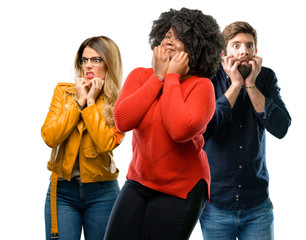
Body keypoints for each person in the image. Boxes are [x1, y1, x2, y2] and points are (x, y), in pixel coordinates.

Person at [103, 8, 224, 240]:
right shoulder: (140, 76)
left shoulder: (201, 87)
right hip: (139, 181)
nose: (170, 41)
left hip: (181, 188)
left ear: (195, 47)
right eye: (167, 35)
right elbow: (123, 120)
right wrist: (157, 77)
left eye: (179, 38)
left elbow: (180, 130)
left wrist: (171, 78)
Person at [199, 21, 291, 240]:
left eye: (249, 46)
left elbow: (281, 127)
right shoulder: (207, 79)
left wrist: (250, 85)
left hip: (257, 205)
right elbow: (203, 131)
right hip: (216, 206)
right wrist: (235, 85)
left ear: (256, 51)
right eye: (236, 45)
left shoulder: (266, 77)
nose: (244, 51)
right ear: (223, 51)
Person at [41, 36, 124, 240]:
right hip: (62, 191)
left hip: (103, 192)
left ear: (109, 63)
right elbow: (50, 137)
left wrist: (91, 103)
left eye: (96, 60)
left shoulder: (119, 102)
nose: (88, 65)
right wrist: (79, 102)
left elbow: (105, 144)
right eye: (84, 60)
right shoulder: (63, 93)